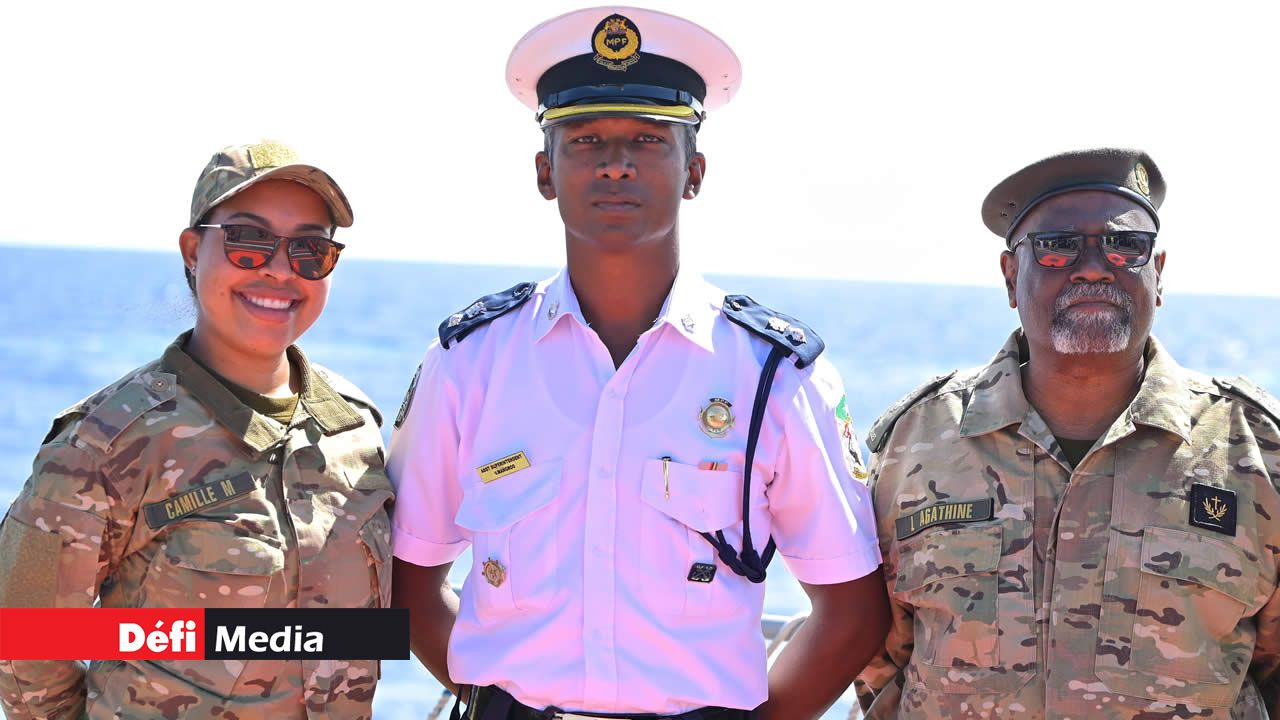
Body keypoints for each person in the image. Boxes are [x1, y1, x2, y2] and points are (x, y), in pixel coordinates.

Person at [388, 7, 890, 720]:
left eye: (649, 141)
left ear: (696, 172)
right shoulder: (471, 363)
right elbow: (409, 584)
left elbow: (851, 613)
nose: (616, 162)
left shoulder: (774, 378)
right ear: (544, 171)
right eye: (586, 139)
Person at [853, 148, 1280, 718]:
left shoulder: (1255, 451)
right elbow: (874, 652)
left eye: (1125, 245)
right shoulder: (917, 442)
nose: (1095, 267)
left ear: (1159, 274)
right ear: (1011, 275)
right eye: (1057, 247)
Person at [0, 140, 395, 719]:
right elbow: (23, 635)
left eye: (310, 249)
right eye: (248, 240)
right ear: (192, 251)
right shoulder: (107, 442)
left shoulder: (354, 432)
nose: (280, 270)